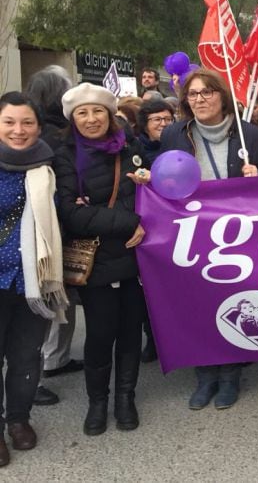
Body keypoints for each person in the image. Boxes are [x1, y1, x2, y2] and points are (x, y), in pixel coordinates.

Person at [159, 69, 258, 411]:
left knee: (234, 301)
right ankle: (205, 374)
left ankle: (229, 375)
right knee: (198, 304)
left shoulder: (251, 137)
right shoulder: (174, 134)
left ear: (222, 97)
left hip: (239, 237)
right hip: (192, 235)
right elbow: (162, 178)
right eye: (193, 95)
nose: (199, 99)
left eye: (207, 93)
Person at [54, 83, 149, 436]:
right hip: (94, 261)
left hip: (134, 257)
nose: (91, 119)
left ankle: (126, 397)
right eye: (82, 112)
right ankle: (97, 401)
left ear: (110, 116)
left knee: (129, 333)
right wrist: (130, 221)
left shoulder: (131, 147)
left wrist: (126, 214)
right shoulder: (63, 155)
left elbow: (146, 195)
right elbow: (71, 214)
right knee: (99, 334)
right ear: (73, 118)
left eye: (98, 111)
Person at [0, 92, 68, 467]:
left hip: (35, 279)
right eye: (9, 122)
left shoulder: (49, 165)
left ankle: (19, 419)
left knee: (26, 355)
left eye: (26, 122)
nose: (18, 130)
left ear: (39, 127)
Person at [25, 65, 81, 407]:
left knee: (62, 297)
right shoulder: (49, 136)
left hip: (60, 227)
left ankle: (56, 360)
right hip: (48, 232)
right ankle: (38, 368)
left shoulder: (56, 130)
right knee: (46, 299)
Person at [132, 99, 176, 364]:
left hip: (176, 224)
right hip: (148, 226)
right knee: (150, 286)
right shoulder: (135, 150)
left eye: (167, 119)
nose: (163, 124)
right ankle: (153, 336)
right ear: (144, 125)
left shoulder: (180, 146)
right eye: (156, 120)